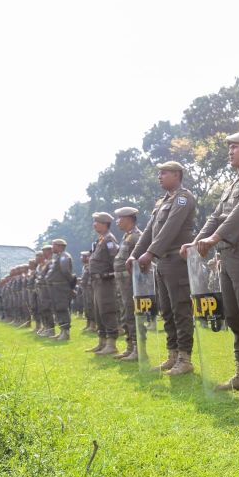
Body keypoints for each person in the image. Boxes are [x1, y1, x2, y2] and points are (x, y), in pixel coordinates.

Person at [182, 131, 239, 400]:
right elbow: (216, 216)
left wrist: (215, 238)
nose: (230, 151)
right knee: (233, 316)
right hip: (227, 256)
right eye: (230, 147)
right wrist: (197, 241)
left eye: (235, 146)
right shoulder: (233, 183)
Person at [128, 161, 197, 376]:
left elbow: (170, 229)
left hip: (177, 261)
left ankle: (185, 358)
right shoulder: (162, 202)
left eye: (164, 173)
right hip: (163, 262)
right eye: (159, 173)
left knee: (180, 310)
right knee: (166, 311)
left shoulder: (184, 198)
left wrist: (151, 253)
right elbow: (149, 230)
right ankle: (173, 355)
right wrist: (135, 254)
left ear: (177, 175)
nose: (160, 176)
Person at [86, 212, 120, 355]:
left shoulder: (109, 240)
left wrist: (112, 275)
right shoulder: (100, 240)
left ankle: (111, 344)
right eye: (94, 221)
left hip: (105, 281)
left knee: (107, 311)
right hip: (97, 282)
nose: (94, 224)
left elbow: (116, 260)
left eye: (97, 222)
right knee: (98, 312)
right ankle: (102, 342)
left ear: (105, 224)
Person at [113, 207, 142, 361]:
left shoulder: (137, 237)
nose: (117, 221)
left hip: (131, 282)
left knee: (132, 313)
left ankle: (138, 348)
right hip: (123, 282)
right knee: (126, 313)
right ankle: (130, 346)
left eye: (120, 218)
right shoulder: (127, 237)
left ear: (129, 219)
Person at [47, 239, 75, 341]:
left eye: (53, 245)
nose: (52, 247)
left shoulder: (64, 256)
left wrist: (69, 283)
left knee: (62, 308)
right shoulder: (58, 256)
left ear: (59, 246)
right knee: (58, 309)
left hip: (61, 286)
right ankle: (62, 331)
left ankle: (66, 332)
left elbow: (65, 271)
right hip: (56, 286)